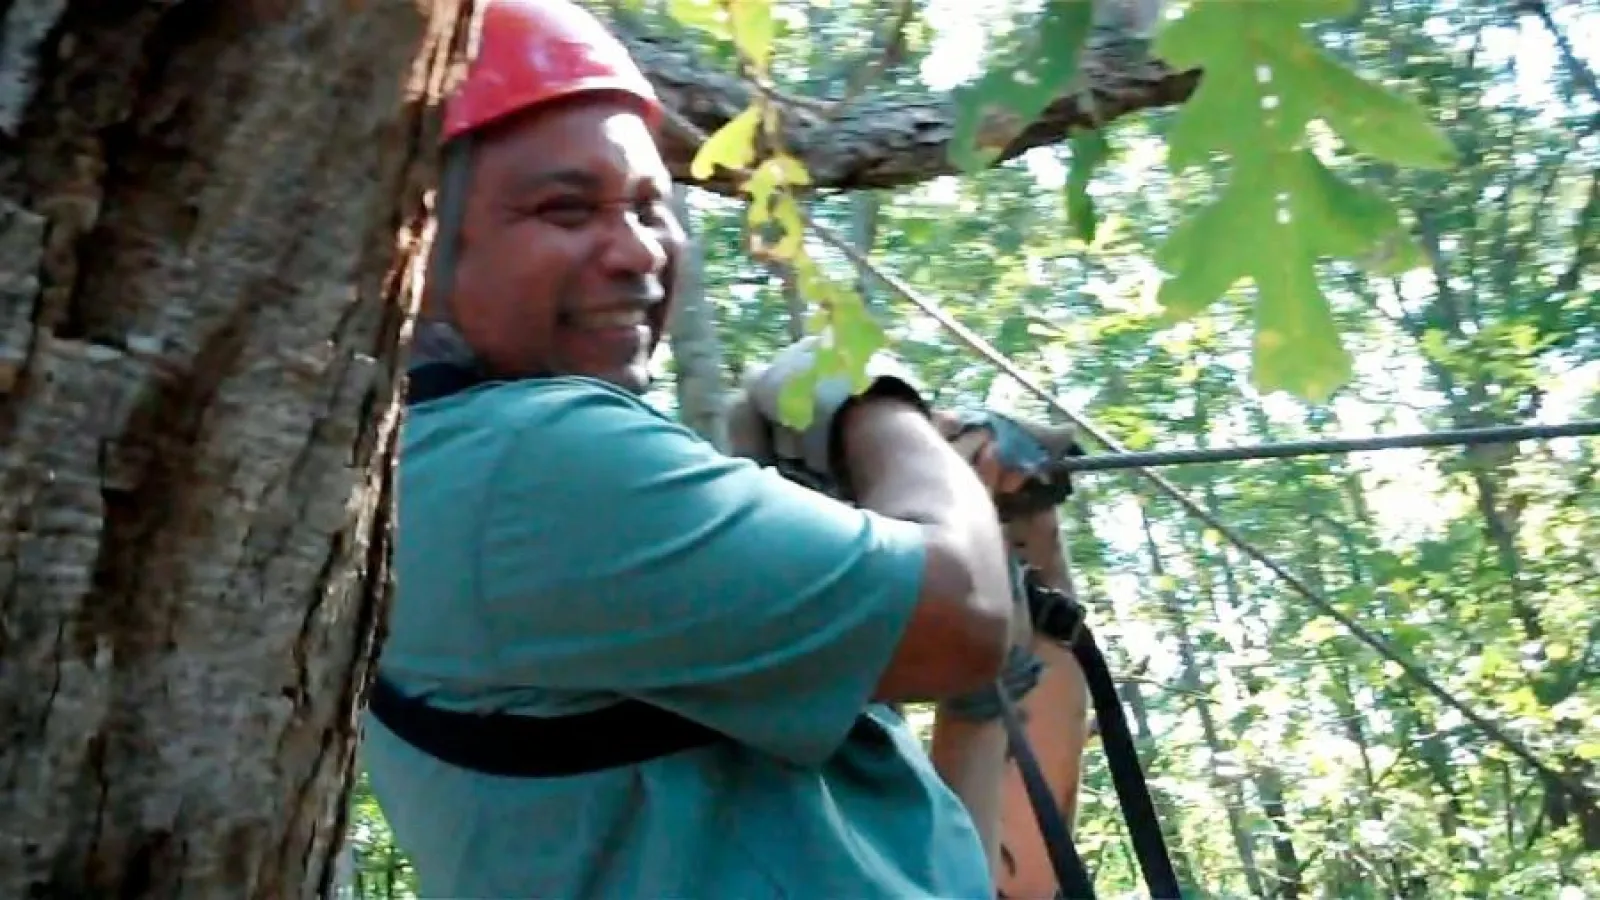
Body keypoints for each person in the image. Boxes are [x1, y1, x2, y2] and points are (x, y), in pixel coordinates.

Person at [360, 1, 1048, 897]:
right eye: (568, 209)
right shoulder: (522, 457)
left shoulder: (434, 471)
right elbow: (963, 619)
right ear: (417, 240)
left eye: (653, 206)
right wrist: (873, 404)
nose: (638, 249)